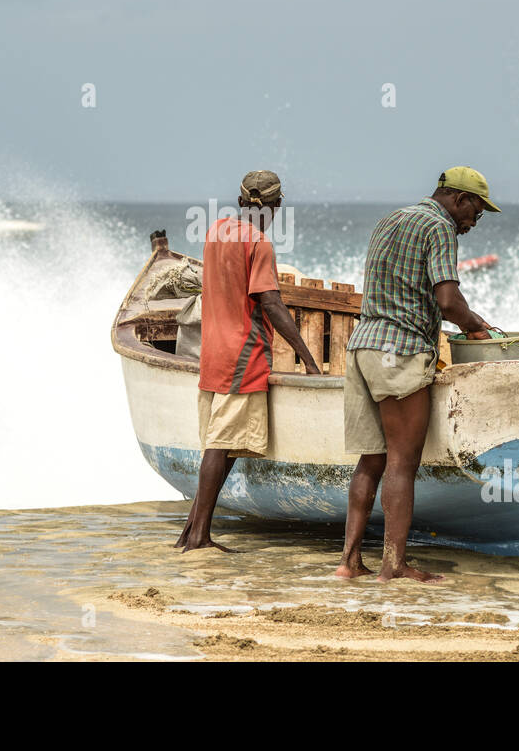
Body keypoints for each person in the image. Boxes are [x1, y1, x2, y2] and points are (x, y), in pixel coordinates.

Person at [335, 167, 500, 582]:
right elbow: (447, 299)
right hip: (401, 351)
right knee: (402, 463)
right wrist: (476, 326)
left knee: (370, 462)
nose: (472, 224)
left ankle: (349, 562)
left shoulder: (393, 218)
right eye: (475, 213)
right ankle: (393, 564)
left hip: (363, 347)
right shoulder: (439, 226)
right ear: (460, 199)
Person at [176, 170, 321, 552]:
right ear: (275, 207)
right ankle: (199, 536)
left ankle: (192, 530)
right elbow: (270, 302)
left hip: (211, 353)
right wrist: (308, 359)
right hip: (243, 355)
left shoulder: (216, 232)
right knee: (220, 446)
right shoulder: (260, 244)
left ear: (240, 201)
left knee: (218, 445)